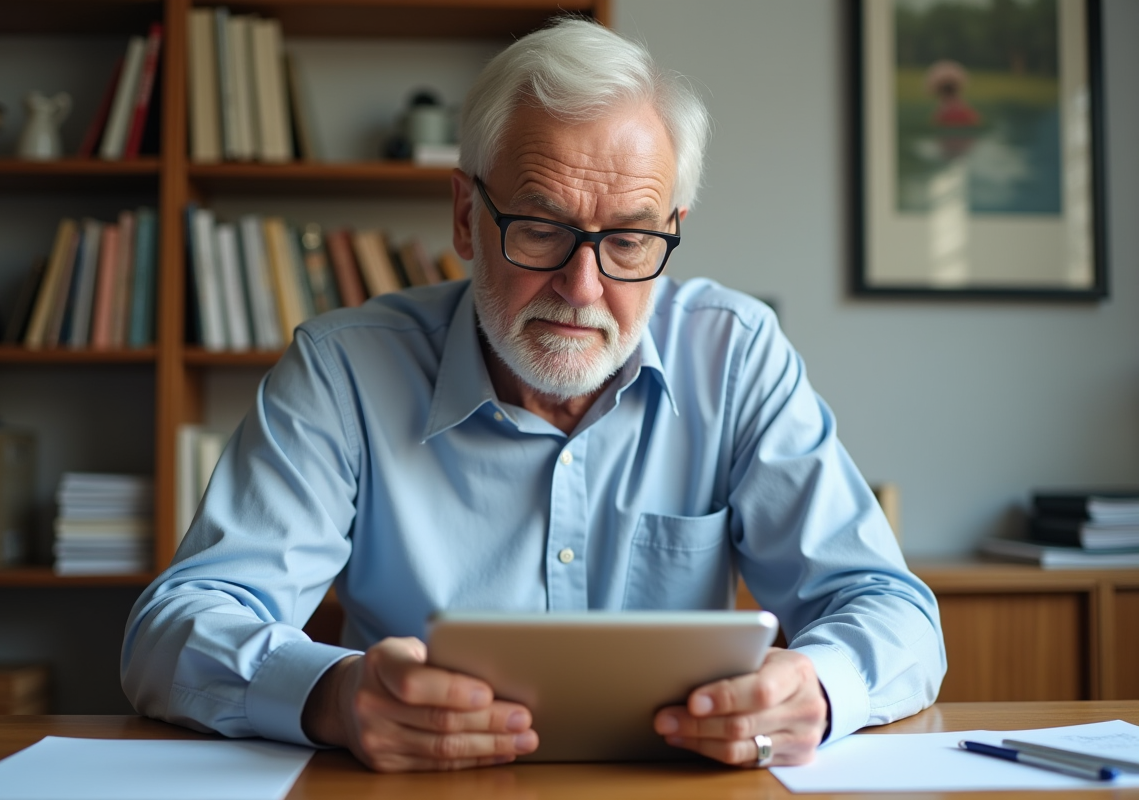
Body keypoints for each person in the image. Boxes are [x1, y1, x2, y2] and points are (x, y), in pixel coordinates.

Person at [122, 18, 945, 773]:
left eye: (628, 238)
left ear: (673, 229)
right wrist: (332, 697)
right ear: (464, 216)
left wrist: (819, 688)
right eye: (542, 228)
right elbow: (173, 628)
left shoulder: (735, 355)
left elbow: (891, 610)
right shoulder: (344, 371)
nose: (583, 288)